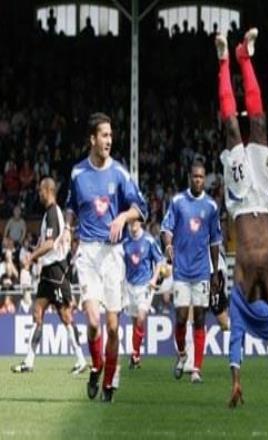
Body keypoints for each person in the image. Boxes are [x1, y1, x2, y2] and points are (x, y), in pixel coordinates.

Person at [215, 28, 268, 408]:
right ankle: (244, 57)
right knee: (258, 124)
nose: (263, 306)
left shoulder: (242, 287)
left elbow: (236, 337)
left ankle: (225, 60)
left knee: (233, 128)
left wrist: (236, 381)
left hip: (242, 201)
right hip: (260, 197)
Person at [66, 113, 148, 402]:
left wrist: (123, 217)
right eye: (104, 135)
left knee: (112, 327)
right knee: (92, 321)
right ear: (92, 139)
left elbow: (142, 208)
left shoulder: (120, 174)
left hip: (113, 254)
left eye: (111, 135)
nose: (109, 140)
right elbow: (71, 206)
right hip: (88, 252)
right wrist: (67, 228)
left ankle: (109, 380)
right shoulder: (78, 173)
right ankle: (96, 365)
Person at [11, 178, 87, 375]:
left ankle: (81, 360)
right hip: (47, 272)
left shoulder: (53, 212)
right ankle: (28, 362)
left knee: (65, 315)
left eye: (40, 191)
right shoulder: (48, 214)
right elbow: (44, 242)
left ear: (47, 190)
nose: (39, 194)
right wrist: (35, 255)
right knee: (38, 312)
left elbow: (50, 244)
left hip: (56, 272)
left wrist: (31, 257)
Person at [161, 162, 222, 384]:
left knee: (199, 318)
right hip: (181, 270)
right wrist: (169, 245)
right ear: (189, 177)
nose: (198, 180)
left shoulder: (211, 206)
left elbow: (215, 241)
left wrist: (215, 272)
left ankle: (196, 369)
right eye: (195, 176)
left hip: (202, 272)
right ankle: (182, 354)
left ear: (204, 179)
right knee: (180, 318)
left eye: (201, 177)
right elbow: (166, 229)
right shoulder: (178, 202)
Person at [123, 219, 165, 369]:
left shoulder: (149, 240)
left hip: (145, 286)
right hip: (129, 285)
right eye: (130, 222)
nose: (132, 225)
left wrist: (154, 279)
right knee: (135, 322)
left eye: (135, 222)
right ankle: (136, 356)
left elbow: (159, 261)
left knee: (141, 318)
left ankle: (134, 354)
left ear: (140, 223)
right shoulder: (125, 241)